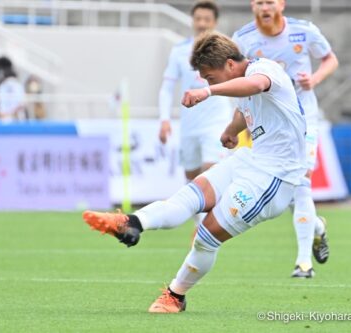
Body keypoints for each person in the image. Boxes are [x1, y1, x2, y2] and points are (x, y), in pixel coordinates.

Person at [83, 32, 307, 313]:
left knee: (206, 236)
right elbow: (245, 106)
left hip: (275, 178)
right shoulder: (240, 80)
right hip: (250, 160)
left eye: (210, 77)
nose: (207, 82)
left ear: (229, 64)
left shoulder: (264, 69)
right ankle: (132, 222)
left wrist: (208, 92)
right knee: (188, 197)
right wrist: (231, 130)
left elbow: (255, 85)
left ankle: (175, 295)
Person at [232, 0, 338, 278]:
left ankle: (304, 263)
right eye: (259, 2)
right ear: (252, 6)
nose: (264, 7)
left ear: (281, 4)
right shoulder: (242, 39)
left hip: (304, 118)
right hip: (268, 124)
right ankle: (316, 227)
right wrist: (236, 125)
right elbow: (237, 80)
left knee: (302, 180)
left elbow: (330, 59)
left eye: (270, 1)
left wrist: (313, 80)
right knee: (285, 189)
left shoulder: (304, 31)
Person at [159, 1, 231, 183]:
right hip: (189, 124)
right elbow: (167, 88)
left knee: (210, 171)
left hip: (217, 122)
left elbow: (240, 82)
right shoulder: (179, 51)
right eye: (198, 19)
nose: (202, 24)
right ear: (192, 21)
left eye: (206, 19)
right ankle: (202, 212)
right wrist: (164, 119)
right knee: (191, 176)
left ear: (215, 22)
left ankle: (214, 212)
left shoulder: (228, 50)